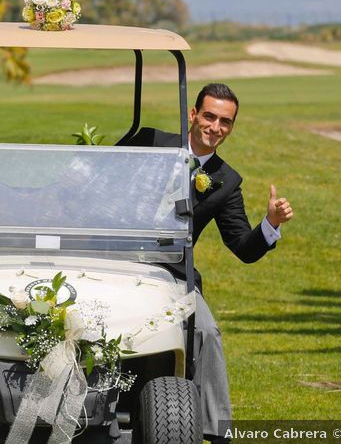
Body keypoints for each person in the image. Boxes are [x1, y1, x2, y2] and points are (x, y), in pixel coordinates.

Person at [125, 83, 294, 444]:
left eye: (225, 122)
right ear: (193, 114)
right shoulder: (150, 141)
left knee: (206, 331)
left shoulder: (225, 180)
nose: (215, 127)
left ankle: (217, 433)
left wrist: (270, 224)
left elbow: (242, 246)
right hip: (114, 256)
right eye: (209, 116)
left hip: (169, 270)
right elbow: (97, 179)